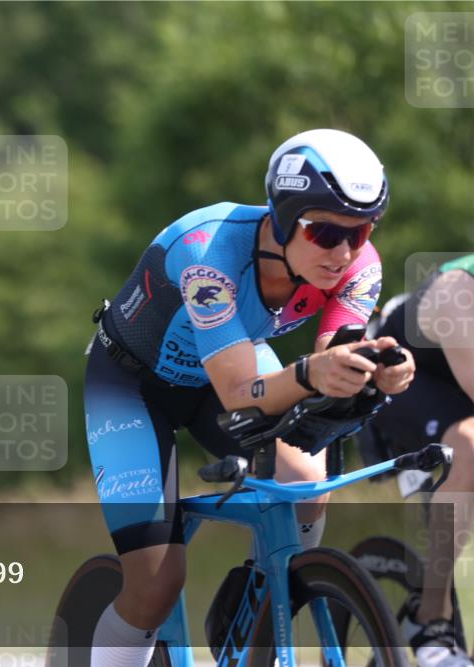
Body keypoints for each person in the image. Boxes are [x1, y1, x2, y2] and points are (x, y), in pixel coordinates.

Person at [84, 128, 416, 667]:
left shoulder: (359, 264)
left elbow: (336, 352)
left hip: (231, 360)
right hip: (134, 386)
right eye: (324, 231)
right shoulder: (207, 251)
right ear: (284, 217)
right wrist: (314, 372)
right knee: (156, 582)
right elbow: (241, 393)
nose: (343, 251)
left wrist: (378, 369)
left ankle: (259, 610)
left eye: (360, 232)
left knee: (306, 482)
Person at [364, 255, 474, 667]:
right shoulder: (459, 293)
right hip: (403, 379)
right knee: (469, 446)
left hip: (455, 382)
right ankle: (430, 620)